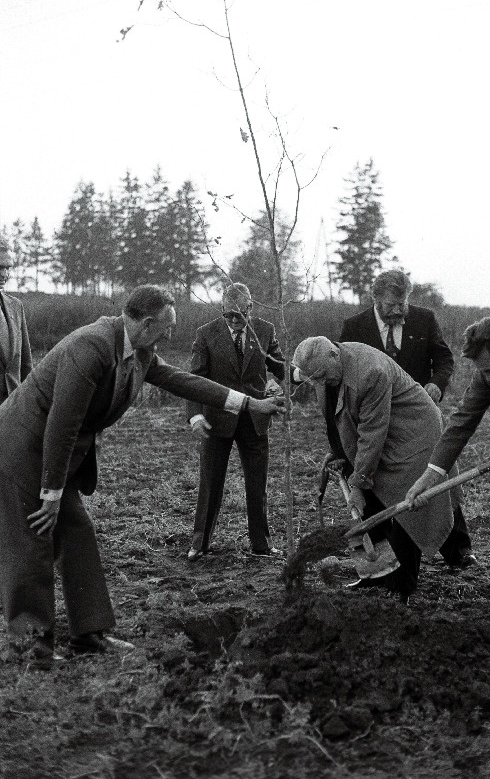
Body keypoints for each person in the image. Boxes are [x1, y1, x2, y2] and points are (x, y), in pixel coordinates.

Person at [0, 284, 284, 668]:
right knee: (34, 540)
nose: (171, 334)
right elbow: (62, 423)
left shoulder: (139, 350)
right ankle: (32, 649)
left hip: (52, 453)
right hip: (21, 448)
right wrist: (51, 494)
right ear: (147, 322)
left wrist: (249, 403)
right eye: (167, 326)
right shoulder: (93, 346)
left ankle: (90, 635)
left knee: (78, 531)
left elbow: (183, 381)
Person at [292, 336, 454, 602]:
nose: (319, 383)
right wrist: (339, 453)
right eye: (313, 379)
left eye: (321, 376)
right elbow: (337, 418)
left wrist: (357, 483)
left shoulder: (370, 372)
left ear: (334, 355)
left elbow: (372, 433)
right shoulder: (323, 371)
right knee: (370, 502)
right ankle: (377, 574)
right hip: (382, 434)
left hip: (413, 434)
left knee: (406, 506)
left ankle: (402, 585)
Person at [339, 268, 476, 569]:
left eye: (403, 303)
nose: (399, 310)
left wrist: (436, 385)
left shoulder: (424, 319)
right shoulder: (355, 327)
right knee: (380, 484)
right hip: (375, 422)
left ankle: (458, 550)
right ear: (375, 298)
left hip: (420, 420)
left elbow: (443, 360)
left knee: (439, 475)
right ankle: (393, 559)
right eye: (391, 305)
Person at [187, 283, 288, 561]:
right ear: (221, 310)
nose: (234, 320)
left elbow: (280, 366)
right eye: (228, 315)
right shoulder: (205, 335)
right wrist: (195, 415)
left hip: (255, 419)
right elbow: (194, 379)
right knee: (210, 483)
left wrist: (288, 381)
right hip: (217, 420)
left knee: (258, 485)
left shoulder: (265, 330)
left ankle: (262, 544)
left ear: (250, 309)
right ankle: (200, 543)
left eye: (239, 315)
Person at [406, 317, 490, 507]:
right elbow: (462, 422)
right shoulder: (486, 373)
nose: (489, 377)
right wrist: (430, 476)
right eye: (484, 371)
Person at [0, 235, 32, 402]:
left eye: (8, 268)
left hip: (12, 409)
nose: (4, 274)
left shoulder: (16, 307)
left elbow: (26, 366)